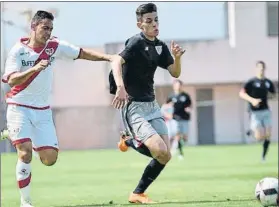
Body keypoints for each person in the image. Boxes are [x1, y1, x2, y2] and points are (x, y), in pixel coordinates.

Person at [1, 10, 114, 207]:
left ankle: (13, 134)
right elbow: (11, 80)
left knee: (49, 159)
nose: (48, 32)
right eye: (45, 28)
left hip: (43, 110)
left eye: (51, 29)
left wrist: (109, 58)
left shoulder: (54, 46)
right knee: (25, 152)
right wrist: (34, 69)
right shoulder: (17, 51)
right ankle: (25, 201)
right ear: (33, 27)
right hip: (18, 106)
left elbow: (81, 53)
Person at [109, 3, 185, 204]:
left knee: (165, 156)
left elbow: (175, 72)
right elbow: (116, 61)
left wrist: (177, 58)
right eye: (149, 21)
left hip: (152, 105)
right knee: (159, 150)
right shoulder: (135, 42)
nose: (154, 24)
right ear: (140, 24)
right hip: (134, 107)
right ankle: (130, 140)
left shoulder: (159, 45)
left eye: (156, 19)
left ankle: (137, 193)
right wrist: (120, 87)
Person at [239, 61, 276, 162]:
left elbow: (274, 95)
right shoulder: (251, 82)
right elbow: (241, 94)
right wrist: (252, 100)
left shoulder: (268, 82)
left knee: (268, 135)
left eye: (263, 68)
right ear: (256, 69)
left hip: (266, 111)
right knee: (259, 137)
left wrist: (272, 96)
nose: (261, 70)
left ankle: (263, 157)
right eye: (259, 68)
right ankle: (251, 131)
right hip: (255, 112)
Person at [168, 79, 192, 159]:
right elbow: (165, 106)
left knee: (185, 137)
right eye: (176, 85)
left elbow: (190, 105)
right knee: (177, 134)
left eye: (179, 85)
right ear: (174, 86)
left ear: (181, 86)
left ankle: (179, 145)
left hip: (185, 118)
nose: (178, 86)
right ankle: (180, 152)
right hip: (175, 119)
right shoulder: (171, 96)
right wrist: (168, 114)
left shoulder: (186, 96)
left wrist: (189, 108)